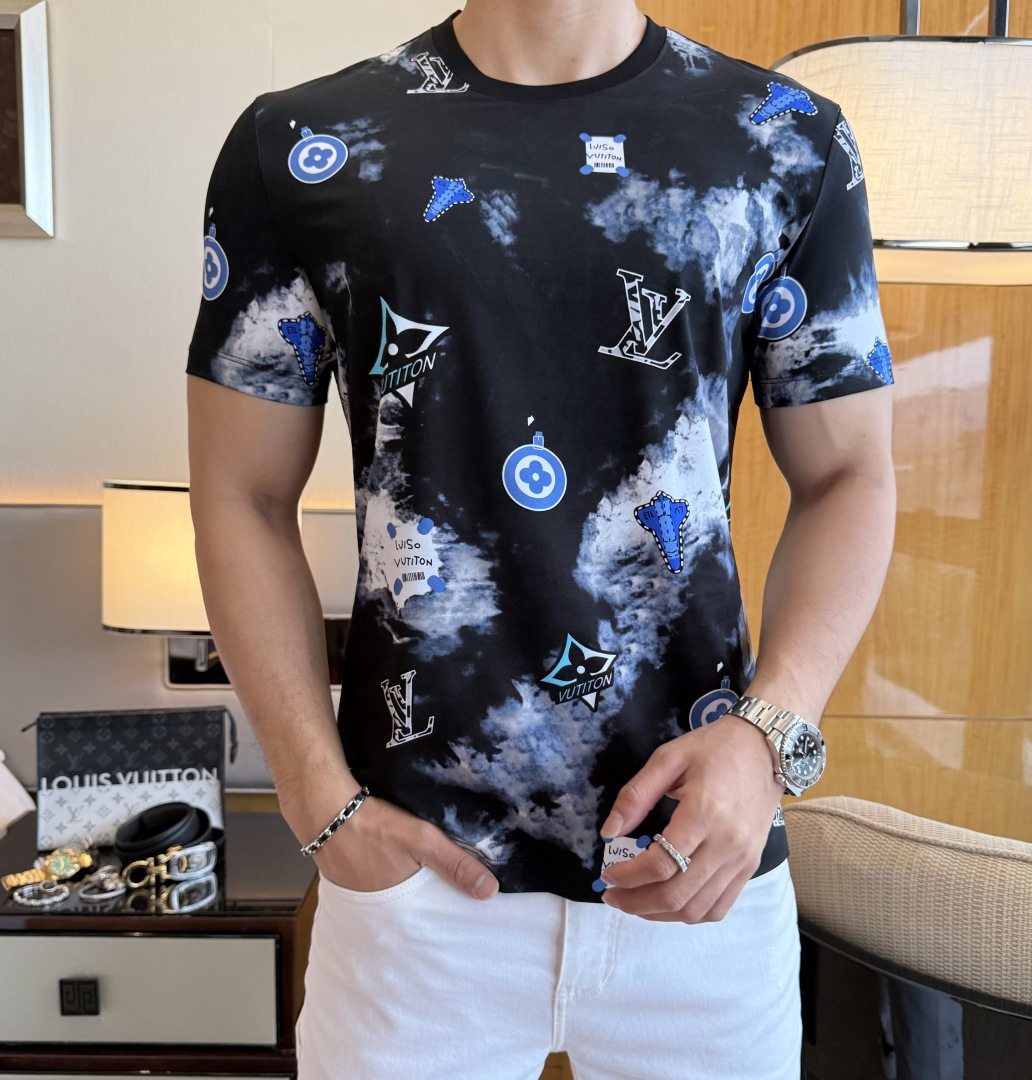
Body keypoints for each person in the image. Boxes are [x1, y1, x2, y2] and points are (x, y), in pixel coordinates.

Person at [186, 1, 896, 1077]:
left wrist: (769, 740)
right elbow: (240, 493)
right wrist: (314, 800)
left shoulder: (788, 139)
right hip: (413, 882)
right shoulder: (298, 145)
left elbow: (849, 475)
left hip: (701, 869)